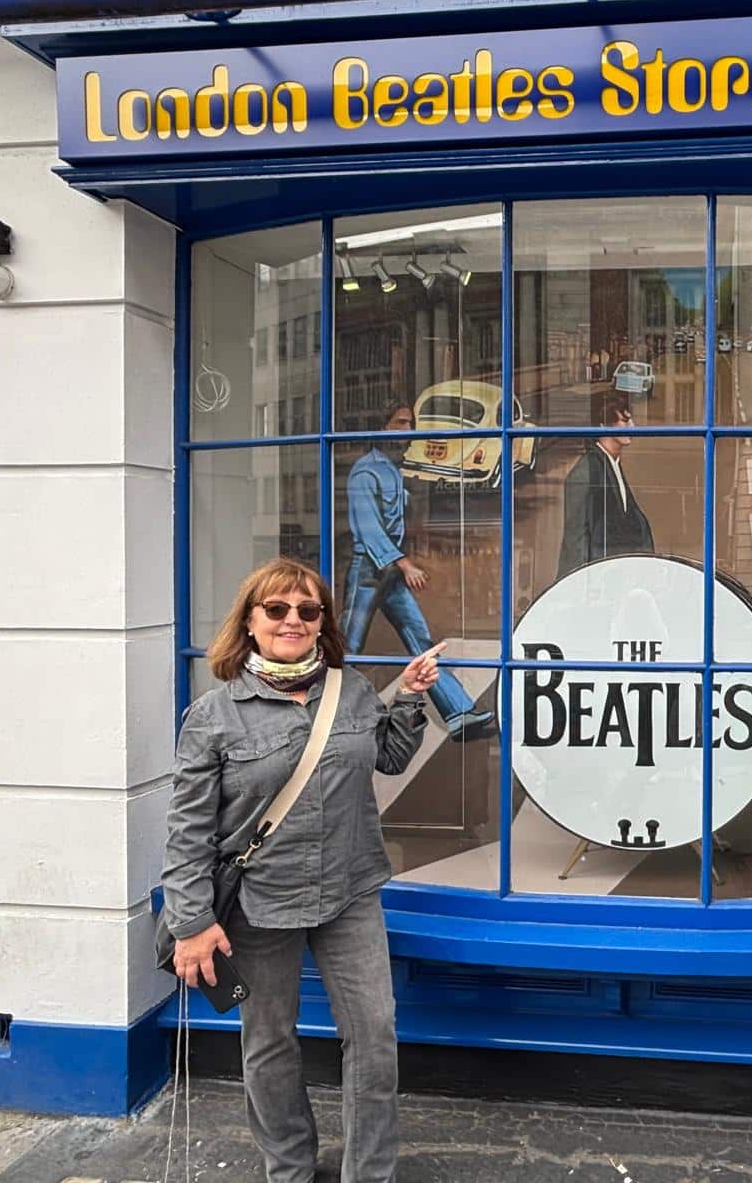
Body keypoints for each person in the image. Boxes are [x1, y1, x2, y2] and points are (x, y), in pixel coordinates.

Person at [164, 557, 447, 1183]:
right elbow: (188, 831)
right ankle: (289, 1167)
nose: (292, 620)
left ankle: (368, 1173)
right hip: (260, 903)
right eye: (277, 609)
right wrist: (191, 922)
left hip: (349, 892)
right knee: (269, 1042)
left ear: (322, 622)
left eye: (307, 609)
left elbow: (390, 758)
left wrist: (410, 697)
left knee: (375, 1035)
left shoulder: (353, 691)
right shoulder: (215, 716)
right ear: (250, 621)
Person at [342, 398, 494, 741]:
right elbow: (369, 529)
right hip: (368, 572)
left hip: (389, 574)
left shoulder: (393, 469)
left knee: (421, 640)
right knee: (349, 647)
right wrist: (405, 563)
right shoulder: (365, 472)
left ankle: (458, 713)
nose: (408, 430)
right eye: (400, 423)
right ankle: (327, 714)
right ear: (381, 427)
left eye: (410, 423)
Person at [557, 394, 654, 578]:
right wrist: (577, 584)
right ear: (603, 425)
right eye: (625, 421)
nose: (633, 426)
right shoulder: (586, 471)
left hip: (616, 575)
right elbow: (575, 539)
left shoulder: (611, 464)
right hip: (598, 579)